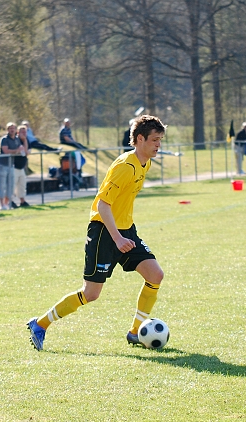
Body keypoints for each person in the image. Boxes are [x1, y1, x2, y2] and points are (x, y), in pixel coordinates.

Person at [27, 115, 166, 350]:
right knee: (91, 294)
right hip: (104, 231)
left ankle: (135, 332)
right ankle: (39, 324)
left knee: (155, 276)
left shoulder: (146, 162)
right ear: (139, 139)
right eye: (154, 140)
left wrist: (125, 234)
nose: (158, 145)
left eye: (160, 140)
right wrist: (118, 238)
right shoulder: (125, 166)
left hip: (125, 231)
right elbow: (102, 205)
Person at [0, 122, 23, 210]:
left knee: (11, 186)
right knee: (2, 186)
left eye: (13, 128)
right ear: (7, 130)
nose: (12, 130)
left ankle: (6, 204)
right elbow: (6, 151)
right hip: (2, 165)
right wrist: (16, 150)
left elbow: (22, 150)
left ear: (16, 130)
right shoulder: (4, 139)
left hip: (11, 165)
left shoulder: (17, 139)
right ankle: (2, 205)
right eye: (10, 128)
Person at [12, 124, 30, 208]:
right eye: (22, 132)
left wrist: (25, 141)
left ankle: (22, 201)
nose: (24, 133)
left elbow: (26, 153)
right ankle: (10, 201)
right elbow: (22, 151)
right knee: (13, 185)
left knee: (22, 185)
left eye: (25, 132)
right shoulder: (15, 140)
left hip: (21, 167)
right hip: (14, 166)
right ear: (18, 132)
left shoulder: (26, 140)